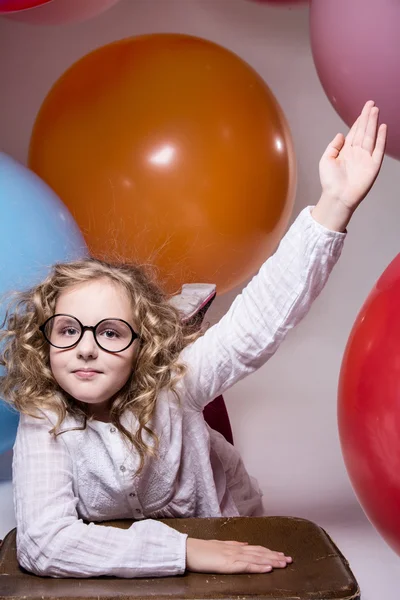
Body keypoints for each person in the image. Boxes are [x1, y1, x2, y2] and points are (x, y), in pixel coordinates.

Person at [0, 101, 387, 579]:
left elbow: (256, 321)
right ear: (46, 342)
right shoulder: (45, 420)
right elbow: (45, 543)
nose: (85, 347)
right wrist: (182, 552)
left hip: (232, 543)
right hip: (140, 569)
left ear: (142, 347)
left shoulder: (175, 384)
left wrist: (335, 205)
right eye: (67, 330)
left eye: (110, 332)